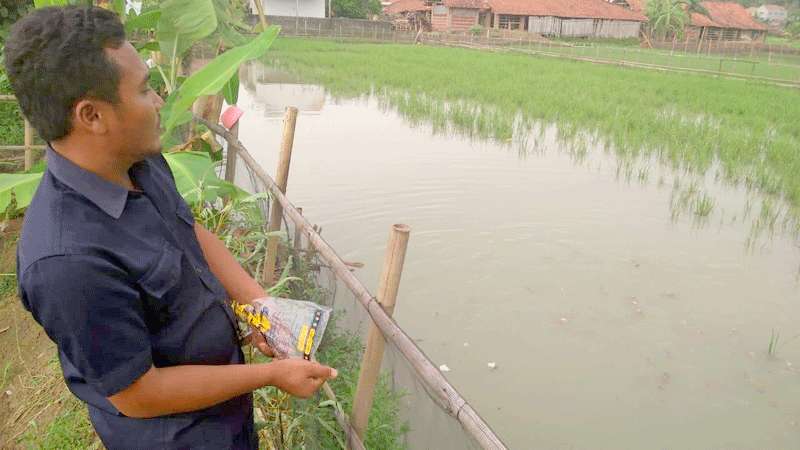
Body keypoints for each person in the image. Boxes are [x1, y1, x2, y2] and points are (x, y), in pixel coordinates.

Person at [5, 6, 336, 449]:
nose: (159, 102)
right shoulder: (67, 262)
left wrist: (260, 305)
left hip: (227, 412)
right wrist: (273, 374)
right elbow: (138, 394)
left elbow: (188, 231)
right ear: (92, 116)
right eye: (145, 91)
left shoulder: (138, 161)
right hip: (177, 436)